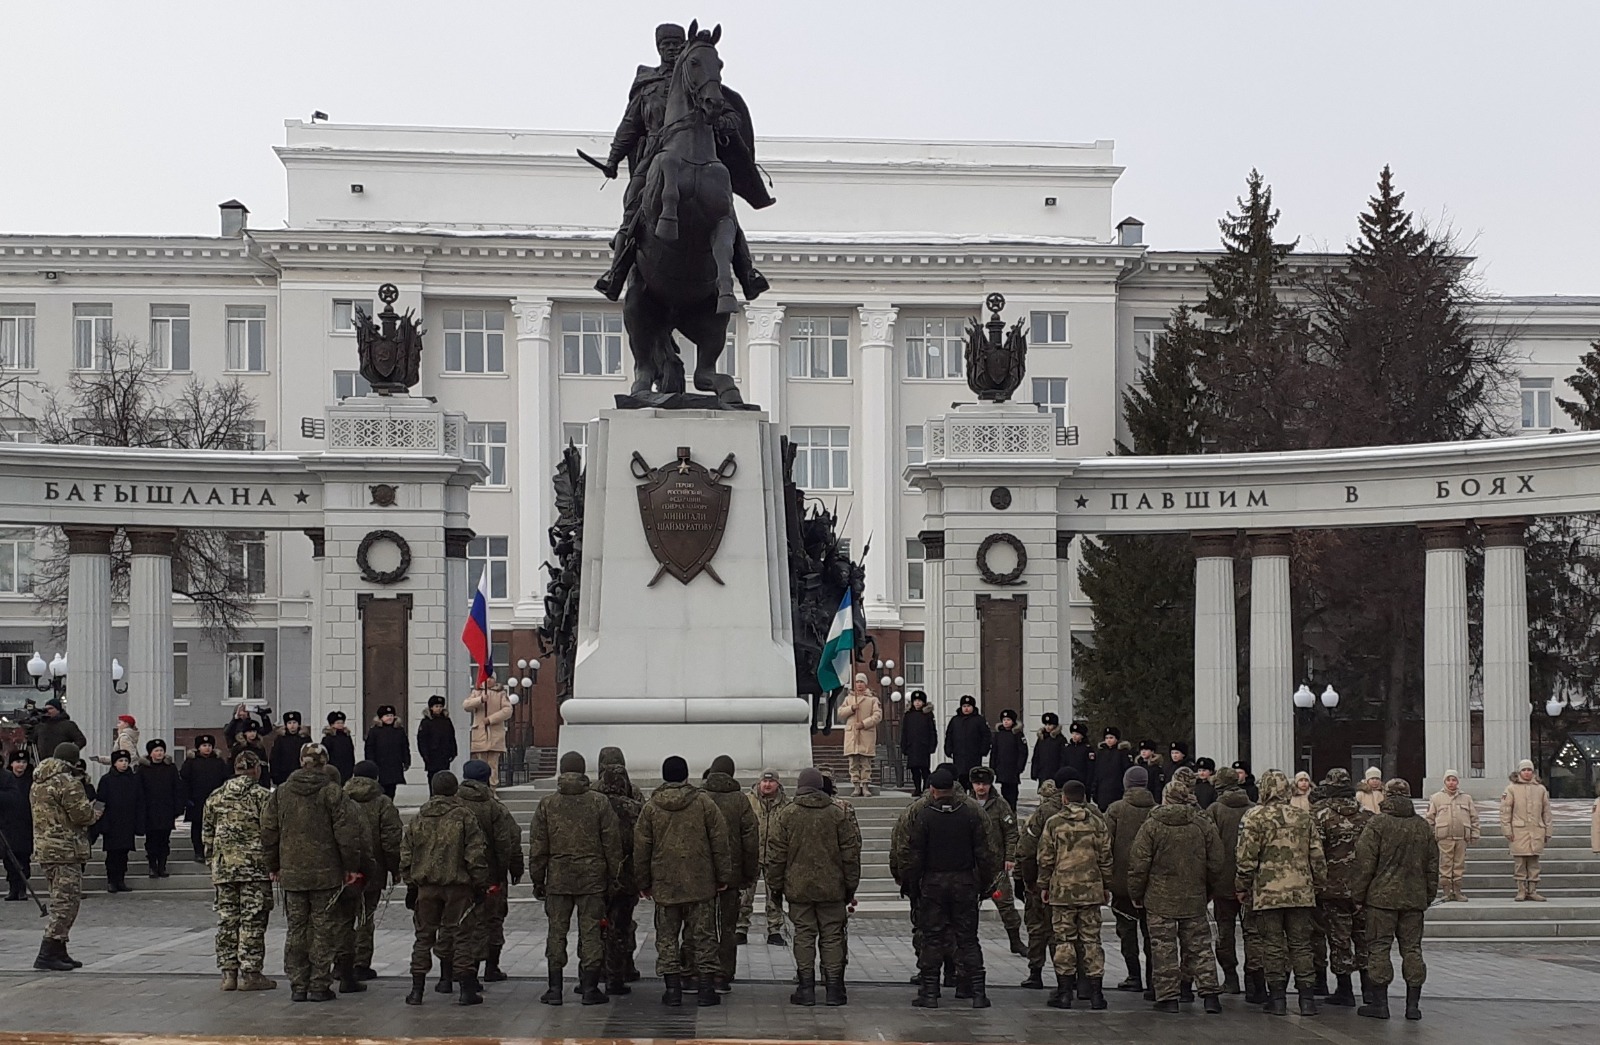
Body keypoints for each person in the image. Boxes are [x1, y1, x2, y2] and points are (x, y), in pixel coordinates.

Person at [592, 21, 772, 302]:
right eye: (666, 46)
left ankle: (747, 272)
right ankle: (616, 271)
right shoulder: (647, 87)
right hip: (653, 155)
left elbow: (730, 112)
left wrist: (723, 121)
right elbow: (629, 126)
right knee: (632, 204)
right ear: (658, 49)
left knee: (726, 211)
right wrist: (613, 160)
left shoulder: (699, 78)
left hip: (700, 153)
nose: (672, 50)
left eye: (677, 45)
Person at [261, 743, 362, 1003]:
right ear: (324, 762)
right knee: (322, 928)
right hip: (326, 874)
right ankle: (319, 984)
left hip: (292, 873)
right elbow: (346, 834)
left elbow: (268, 831)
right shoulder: (332, 792)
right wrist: (350, 866)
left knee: (296, 928)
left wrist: (273, 865)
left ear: (300, 761)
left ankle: (298, 984)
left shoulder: (281, 792)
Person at [634, 755, 734, 1008]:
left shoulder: (651, 807)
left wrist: (643, 882)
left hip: (665, 884)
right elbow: (719, 843)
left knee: (667, 938)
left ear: (664, 776)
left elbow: (641, 848)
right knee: (704, 937)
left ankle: (673, 990)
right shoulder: (703, 803)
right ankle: (705, 990)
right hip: (700, 883)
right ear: (687, 775)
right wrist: (723, 877)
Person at [1128, 768, 1225, 1014]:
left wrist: (1136, 893)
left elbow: (1139, 864)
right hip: (1194, 895)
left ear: (1165, 797)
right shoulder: (1202, 823)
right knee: (1200, 947)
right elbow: (1217, 860)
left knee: (1163, 948)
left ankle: (1168, 998)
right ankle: (1210, 995)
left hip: (1160, 897)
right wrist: (1209, 888)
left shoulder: (1152, 825)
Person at [529, 751, 621, 1005]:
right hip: (592, 877)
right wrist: (615, 875)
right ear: (583, 771)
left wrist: (538, 879)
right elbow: (611, 842)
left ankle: (555, 988)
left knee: (556, 931)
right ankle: (589, 987)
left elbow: (538, 846)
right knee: (591, 931)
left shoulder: (548, 804)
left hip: (558, 877)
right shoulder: (599, 802)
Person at [905, 767, 1000, 1009]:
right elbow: (985, 854)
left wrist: (911, 886)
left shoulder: (924, 816)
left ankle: (930, 993)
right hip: (964, 883)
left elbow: (914, 856)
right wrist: (986, 884)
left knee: (932, 938)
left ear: (932, 790)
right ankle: (978, 993)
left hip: (933, 885)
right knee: (968, 939)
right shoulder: (970, 814)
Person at [1235, 769, 1327, 1017]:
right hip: (1301, 892)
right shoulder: (1303, 817)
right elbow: (1317, 856)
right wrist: (1317, 884)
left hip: (1268, 893)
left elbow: (1246, 857)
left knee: (1273, 946)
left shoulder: (1254, 816)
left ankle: (1277, 1000)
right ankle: (1307, 999)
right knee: (1301, 945)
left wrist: (1242, 886)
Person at [769, 765, 861, 1007]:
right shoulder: (837, 813)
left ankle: (806, 988)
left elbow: (776, 856)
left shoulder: (786, 814)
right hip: (833, 888)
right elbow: (850, 854)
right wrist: (850, 887)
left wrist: (775, 888)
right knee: (832, 936)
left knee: (804, 935)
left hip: (798, 888)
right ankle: (834, 990)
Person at [401, 770, 489, 1006]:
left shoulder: (419, 818)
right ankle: (466, 990)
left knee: (423, 937)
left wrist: (410, 884)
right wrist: (480, 883)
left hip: (426, 887)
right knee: (461, 936)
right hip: (458, 887)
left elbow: (406, 854)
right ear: (454, 790)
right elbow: (475, 854)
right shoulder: (464, 817)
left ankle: (416, 990)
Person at [1353, 779, 1438, 1021]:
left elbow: (1364, 864)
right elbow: (1433, 865)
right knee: (1412, 949)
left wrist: (1358, 896)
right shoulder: (1422, 826)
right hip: (1414, 899)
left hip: (1382, 899)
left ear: (1386, 796)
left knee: (1379, 948)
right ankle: (1413, 1006)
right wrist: (1428, 895)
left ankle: (1380, 1004)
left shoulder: (1377, 823)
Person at [203, 750, 277, 991]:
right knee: (252, 920)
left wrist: (212, 861)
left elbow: (207, 834)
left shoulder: (215, 796)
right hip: (254, 868)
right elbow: (271, 832)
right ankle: (251, 973)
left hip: (224, 867)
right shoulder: (262, 796)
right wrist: (275, 863)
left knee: (227, 920)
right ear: (256, 769)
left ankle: (228, 974)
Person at [1038, 778, 1112, 1010]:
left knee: (1064, 941)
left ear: (1064, 798)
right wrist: (1106, 886)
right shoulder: (1098, 823)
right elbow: (1106, 858)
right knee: (1092, 940)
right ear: (1084, 798)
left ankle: (1064, 993)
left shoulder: (1053, 823)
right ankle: (1097, 994)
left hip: (1062, 891)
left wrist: (1043, 885)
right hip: (1090, 891)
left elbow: (1045, 858)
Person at [30, 742, 100, 971]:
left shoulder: (38, 782)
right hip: (66, 849)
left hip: (47, 848)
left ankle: (59, 949)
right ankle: (48, 952)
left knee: (59, 898)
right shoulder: (67, 783)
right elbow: (82, 816)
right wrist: (96, 811)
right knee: (66, 902)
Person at [458, 758, 525, 987]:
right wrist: (513, 869)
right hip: (490, 875)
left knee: (460, 922)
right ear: (487, 779)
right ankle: (490, 967)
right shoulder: (494, 807)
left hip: (457, 875)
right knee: (493, 921)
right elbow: (508, 840)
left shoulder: (451, 804)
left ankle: (458, 972)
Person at [1311, 767, 1372, 1008]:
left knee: (1339, 939)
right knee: (1364, 938)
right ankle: (1370, 991)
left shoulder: (1321, 817)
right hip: (1362, 888)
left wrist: (1317, 883)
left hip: (1332, 889)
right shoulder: (1368, 817)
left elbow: (1315, 854)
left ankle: (1345, 989)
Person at [701, 755, 760, 992]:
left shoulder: (700, 798)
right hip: (733, 875)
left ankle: (699, 971)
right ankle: (722, 975)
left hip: (702, 875)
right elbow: (751, 840)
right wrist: (749, 873)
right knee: (727, 926)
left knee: (701, 925)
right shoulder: (740, 801)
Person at [342, 761, 402, 982]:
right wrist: (395, 868)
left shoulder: (340, 799)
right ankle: (360, 964)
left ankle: (341, 963)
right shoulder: (382, 803)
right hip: (372, 869)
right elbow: (391, 839)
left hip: (343, 869)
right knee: (365, 917)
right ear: (376, 778)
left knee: (342, 917)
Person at [322, 764, 376, 996]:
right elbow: (359, 841)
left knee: (318, 924)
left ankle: (315, 977)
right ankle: (349, 971)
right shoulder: (348, 806)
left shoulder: (300, 803)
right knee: (350, 922)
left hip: (314, 873)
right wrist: (362, 869)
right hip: (348, 873)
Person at [1207, 767, 1259, 999]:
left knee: (1225, 932)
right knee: (1253, 933)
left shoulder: (1214, 811)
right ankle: (1254, 980)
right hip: (1251, 883)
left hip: (1222, 883)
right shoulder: (1254, 810)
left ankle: (1230, 978)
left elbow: (1208, 848)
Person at [1106, 764, 1157, 995]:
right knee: (1152, 933)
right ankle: (1153, 980)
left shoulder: (1116, 810)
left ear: (1126, 783)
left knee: (1126, 931)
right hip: (1152, 885)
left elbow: (1105, 845)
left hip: (1122, 883)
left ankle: (1133, 976)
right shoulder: (1157, 810)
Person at [597, 752, 644, 995]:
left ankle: (592, 975)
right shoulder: (634, 805)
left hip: (595, 877)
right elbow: (643, 842)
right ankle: (618, 974)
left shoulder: (591, 801)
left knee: (594, 926)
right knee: (621, 926)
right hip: (625, 876)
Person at [968, 766, 1025, 956]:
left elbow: (1011, 832)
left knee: (1006, 905)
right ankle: (968, 942)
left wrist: (1010, 857)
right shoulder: (966, 804)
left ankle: (1015, 940)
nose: (981, 788)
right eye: (977, 784)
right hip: (972, 866)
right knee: (967, 908)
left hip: (996, 866)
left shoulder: (1000, 805)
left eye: (984, 784)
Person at [1015, 773, 1064, 990]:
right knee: (1066, 932)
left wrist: (1024, 879)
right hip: (1075, 885)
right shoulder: (1090, 814)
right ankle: (1069, 978)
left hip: (1040, 881)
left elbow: (1026, 849)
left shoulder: (1042, 814)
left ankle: (1036, 972)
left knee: (1037, 928)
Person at [739, 769, 789, 945]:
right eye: (764, 781)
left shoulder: (786, 804)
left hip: (775, 857)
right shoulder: (746, 801)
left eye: (771, 782)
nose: (767, 785)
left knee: (774, 896)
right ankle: (740, 928)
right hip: (751, 855)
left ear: (778, 783)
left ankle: (774, 930)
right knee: (745, 895)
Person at [1500, 758, 1552, 901]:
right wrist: (1507, 830)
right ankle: (1521, 890)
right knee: (1520, 863)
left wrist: (1548, 831)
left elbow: (1546, 812)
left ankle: (1533, 890)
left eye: (1529, 770)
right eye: (1524, 770)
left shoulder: (1541, 789)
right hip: (1518, 832)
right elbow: (1505, 811)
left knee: (1534, 863)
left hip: (1536, 831)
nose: (1527, 773)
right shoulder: (1511, 789)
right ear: (1519, 772)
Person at [95, 748, 144, 893]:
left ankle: (121, 879)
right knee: (112, 854)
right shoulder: (106, 780)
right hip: (112, 822)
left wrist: (139, 822)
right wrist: (98, 819)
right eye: (120, 761)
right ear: (114, 763)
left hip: (127, 821)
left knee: (123, 853)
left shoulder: (134, 779)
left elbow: (140, 801)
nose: (124, 764)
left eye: (126, 761)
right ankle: (111, 880)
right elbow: (100, 801)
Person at [1426, 770, 1479, 903]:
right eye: (1448, 780)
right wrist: (1430, 834)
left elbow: (1474, 818)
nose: (1451, 783)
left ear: (1458, 782)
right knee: (1445, 864)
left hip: (1461, 837)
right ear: (1444, 782)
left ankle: (1457, 891)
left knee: (1459, 864)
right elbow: (1430, 818)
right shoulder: (1436, 798)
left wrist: (1475, 833)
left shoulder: (1466, 798)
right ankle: (1446, 891)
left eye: (1454, 780)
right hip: (1444, 837)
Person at [181, 735, 229, 861]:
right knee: (197, 826)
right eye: (204, 746)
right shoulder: (191, 762)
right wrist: (187, 798)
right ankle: (198, 851)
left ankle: (213, 850)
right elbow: (185, 780)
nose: (207, 748)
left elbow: (225, 780)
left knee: (215, 826)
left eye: (209, 746)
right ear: (198, 748)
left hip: (216, 800)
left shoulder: (218, 762)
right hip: (196, 800)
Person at [138, 739, 181, 878]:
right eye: (156, 751)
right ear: (150, 753)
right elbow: (139, 791)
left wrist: (177, 808)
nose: (159, 753)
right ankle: (152, 865)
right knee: (152, 840)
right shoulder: (143, 769)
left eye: (161, 750)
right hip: (150, 811)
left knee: (164, 839)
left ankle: (162, 866)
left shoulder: (170, 768)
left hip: (166, 810)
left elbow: (177, 788)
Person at [836, 674, 883, 798]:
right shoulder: (849, 699)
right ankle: (856, 786)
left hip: (866, 735)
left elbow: (877, 716)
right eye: (857, 682)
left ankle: (866, 786)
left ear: (866, 684)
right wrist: (851, 708)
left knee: (865, 762)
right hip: (852, 735)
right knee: (853, 763)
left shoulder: (872, 700)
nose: (859, 684)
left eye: (862, 682)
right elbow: (840, 713)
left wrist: (864, 724)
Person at [463, 680, 513, 786]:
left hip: (495, 734)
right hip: (480, 734)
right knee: (481, 764)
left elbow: (508, 710)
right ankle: (482, 787)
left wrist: (491, 719)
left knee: (493, 765)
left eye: (491, 677)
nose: (489, 680)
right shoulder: (476, 692)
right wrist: (480, 699)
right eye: (487, 678)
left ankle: (492, 788)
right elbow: (466, 705)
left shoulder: (501, 693)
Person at [1, 750, 33, 901]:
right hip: (7, 824)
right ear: (11, 764)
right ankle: (13, 887)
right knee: (9, 858)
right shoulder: (6, 778)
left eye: (24, 762)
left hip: (25, 823)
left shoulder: (31, 780)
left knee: (23, 857)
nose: (21, 765)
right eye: (18, 762)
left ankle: (22, 888)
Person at [943, 695, 991, 789]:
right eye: (964, 706)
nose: (966, 709)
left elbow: (986, 736)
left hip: (974, 755)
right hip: (959, 754)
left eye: (968, 706)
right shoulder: (955, 720)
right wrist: (948, 749)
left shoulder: (979, 720)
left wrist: (983, 750)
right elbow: (949, 735)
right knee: (961, 778)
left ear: (973, 707)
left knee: (974, 777)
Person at [365, 705, 411, 799]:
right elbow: (369, 748)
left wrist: (406, 761)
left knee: (392, 789)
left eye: (391, 715)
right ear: (381, 718)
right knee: (381, 789)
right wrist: (371, 763)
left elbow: (405, 747)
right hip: (380, 765)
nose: (389, 718)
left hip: (394, 764)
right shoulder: (374, 731)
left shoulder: (399, 730)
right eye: (387, 716)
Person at [900, 691, 937, 794]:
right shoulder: (908, 715)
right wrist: (904, 746)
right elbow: (904, 732)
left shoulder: (928, 715)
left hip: (924, 747)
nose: (917, 703)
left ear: (923, 702)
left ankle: (926, 788)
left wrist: (932, 745)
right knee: (914, 769)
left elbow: (932, 731)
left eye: (919, 701)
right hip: (912, 747)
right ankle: (917, 788)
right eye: (915, 701)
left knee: (925, 769)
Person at [989, 710, 1028, 810]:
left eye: (1008, 720)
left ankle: (1012, 809)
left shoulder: (1018, 734)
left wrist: (1020, 767)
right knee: (1004, 789)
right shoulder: (998, 735)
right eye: (1004, 720)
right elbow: (994, 751)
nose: (1006, 722)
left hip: (1013, 768)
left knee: (1012, 791)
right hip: (1001, 767)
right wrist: (992, 766)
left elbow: (1023, 752)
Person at [33, 699, 87, 765]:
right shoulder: (41, 726)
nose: (47, 711)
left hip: (63, 762)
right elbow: (33, 741)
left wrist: (69, 752)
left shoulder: (68, 725)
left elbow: (81, 740)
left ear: (58, 710)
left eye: (50, 708)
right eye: (46, 709)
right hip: (44, 763)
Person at [417, 696, 458, 779]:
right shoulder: (426, 722)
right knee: (433, 777)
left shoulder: (446, 721)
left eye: (440, 706)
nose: (439, 709)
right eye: (436, 706)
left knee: (443, 777)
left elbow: (451, 737)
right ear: (431, 707)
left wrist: (453, 751)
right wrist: (425, 754)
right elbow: (422, 740)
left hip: (444, 754)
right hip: (432, 755)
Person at [268, 712, 312, 788]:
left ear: (298, 724)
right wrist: (275, 775)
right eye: (289, 723)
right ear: (286, 725)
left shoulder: (305, 738)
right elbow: (274, 757)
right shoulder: (280, 739)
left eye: (294, 722)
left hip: (301, 775)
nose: (292, 725)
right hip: (283, 776)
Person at [1093, 728, 1131, 810]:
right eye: (1106, 738)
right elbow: (1096, 772)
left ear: (1116, 739)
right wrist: (1095, 789)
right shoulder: (1101, 753)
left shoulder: (1122, 752)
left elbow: (1126, 771)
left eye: (1111, 738)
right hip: (1102, 790)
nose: (1108, 740)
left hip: (1117, 789)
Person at [1030, 713, 1068, 788]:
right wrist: (1034, 771)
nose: (1047, 727)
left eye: (1050, 725)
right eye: (1046, 724)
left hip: (1055, 772)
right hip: (1042, 772)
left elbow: (1063, 757)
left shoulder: (1060, 739)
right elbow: (1036, 755)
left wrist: (1061, 772)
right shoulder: (1041, 739)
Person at [323, 712, 357, 782]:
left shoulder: (347, 737)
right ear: (332, 724)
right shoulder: (328, 738)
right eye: (338, 723)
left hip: (346, 768)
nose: (340, 725)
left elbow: (351, 752)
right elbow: (325, 754)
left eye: (342, 723)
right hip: (334, 768)